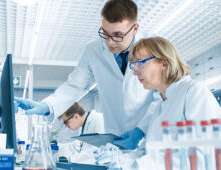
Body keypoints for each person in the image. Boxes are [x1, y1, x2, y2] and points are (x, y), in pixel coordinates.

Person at [15, 0, 153, 150]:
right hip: (115, 138)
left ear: (135, 29)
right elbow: (75, 86)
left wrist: (141, 130)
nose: (110, 42)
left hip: (149, 136)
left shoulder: (155, 49)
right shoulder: (93, 50)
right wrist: (47, 105)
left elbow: (162, 96)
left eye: (118, 35)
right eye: (105, 33)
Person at [97, 36, 221, 169]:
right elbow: (149, 152)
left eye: (140, 63)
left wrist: (133, 165)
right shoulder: (159, 106)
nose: (135, 72)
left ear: (164, 63)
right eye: (133, 65)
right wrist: (119, 159)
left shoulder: (193, 92)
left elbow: (205, 155)